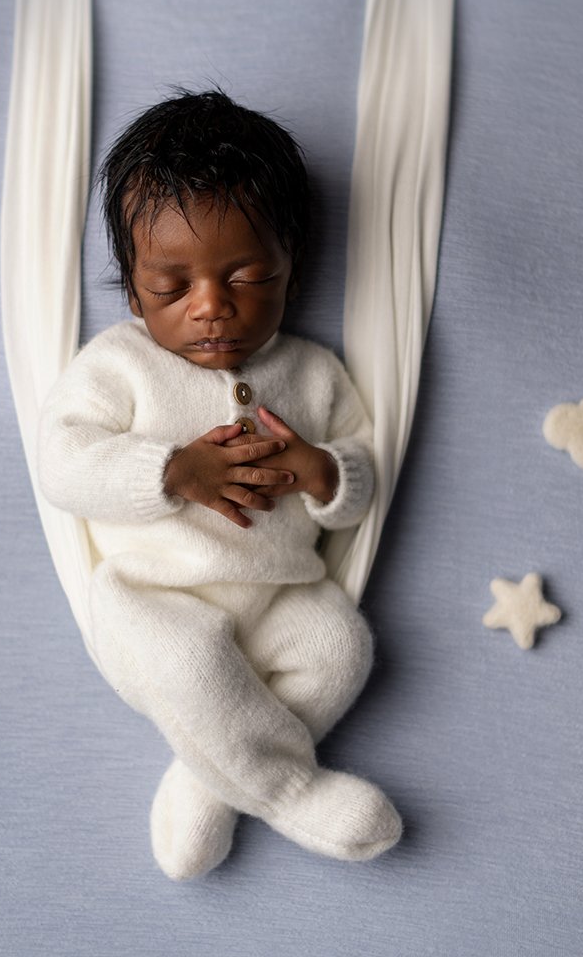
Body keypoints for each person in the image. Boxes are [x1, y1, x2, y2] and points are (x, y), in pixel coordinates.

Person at [38, 89, 401, 880]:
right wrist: (171, 470)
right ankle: (291, 792)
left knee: (342, 649)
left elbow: (364, 474)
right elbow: (61, 463)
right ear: (134, 290)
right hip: (151, 600)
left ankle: (208, 778)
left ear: (290, 272)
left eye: (246, 276)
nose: (212, 309)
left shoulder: (312, 372)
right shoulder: (120, 366)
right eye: (172, 287)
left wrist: (323, 469)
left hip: (278, 591)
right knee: (193, 668)